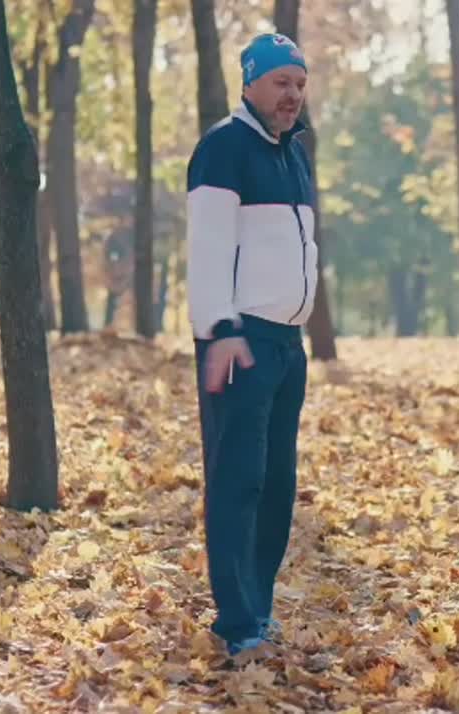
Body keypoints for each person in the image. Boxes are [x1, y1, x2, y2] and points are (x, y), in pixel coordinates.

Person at [185, 32, 317, 657]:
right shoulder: (223, 148)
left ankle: (258, 610)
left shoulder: (295, 154)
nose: (292, 94)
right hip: (240, 341)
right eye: (280, 82)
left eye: (299, 83)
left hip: (288, 344)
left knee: (276, 485)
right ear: (250, 82)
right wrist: (219, 330)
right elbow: (208, 249)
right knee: (237, 482)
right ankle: (236, 624)